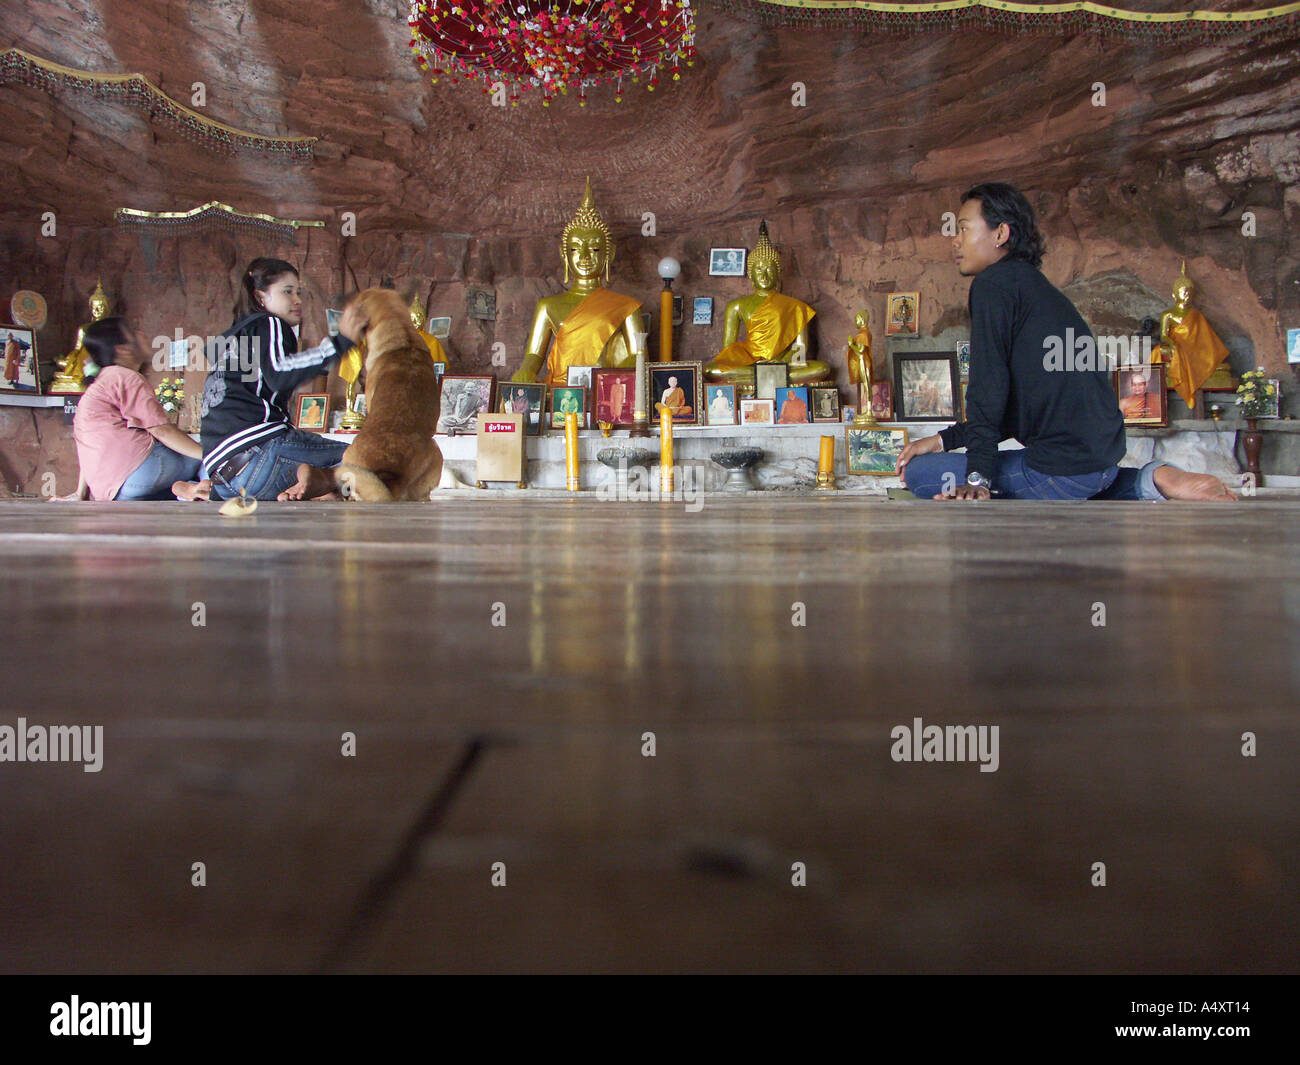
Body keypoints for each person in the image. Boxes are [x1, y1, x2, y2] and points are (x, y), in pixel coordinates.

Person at [896, 182, 1234, 502]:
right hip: (1102, 464)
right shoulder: (1037, 289)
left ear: (1000, 233)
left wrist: (977, 479)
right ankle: (1149, 480)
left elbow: (988, 386)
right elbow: (1014, 410)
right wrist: (944, 440)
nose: (954, 241)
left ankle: (1142, 482)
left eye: (964, 228)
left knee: (921, 473)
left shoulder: (992, 284)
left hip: (1064, 471)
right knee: (1047, 467)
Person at [201, 257, 362, 501]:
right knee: (366, 458)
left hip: (224, 482)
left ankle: (310, 483)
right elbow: (281, 373)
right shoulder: (269, 322)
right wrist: (341, 342)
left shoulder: (233, 338)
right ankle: (322, 480)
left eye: (298, 292)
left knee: (339, 486)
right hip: (260, 458)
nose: (297, 300)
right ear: (260, 297)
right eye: (287, 292)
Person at [57, 317, 205, 501]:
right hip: (140, 471)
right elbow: (161, 431)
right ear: (123, 349)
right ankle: (206, 492)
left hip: (111, 491)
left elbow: (90, 445)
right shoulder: (125, 377)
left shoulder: (100, 382)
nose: (141, 334)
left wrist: (80, 494)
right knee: (207, 456)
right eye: (134, 332)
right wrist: (208, 453)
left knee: (172, 484)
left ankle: (188, 491)